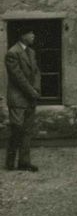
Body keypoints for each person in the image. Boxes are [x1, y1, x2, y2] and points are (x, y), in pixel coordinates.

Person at [4, 26, 41, 172]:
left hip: (30, 98)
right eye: (31, 33)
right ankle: (10, 162)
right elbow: (18, 77)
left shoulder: (31, 52)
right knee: (17, 130)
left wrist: (36, 89)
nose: (33, 36)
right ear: (22, 35)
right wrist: (32, 91)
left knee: (27, 131)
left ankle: (24, 162)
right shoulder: (12, 53)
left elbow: (37, 72)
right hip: (18, 99)